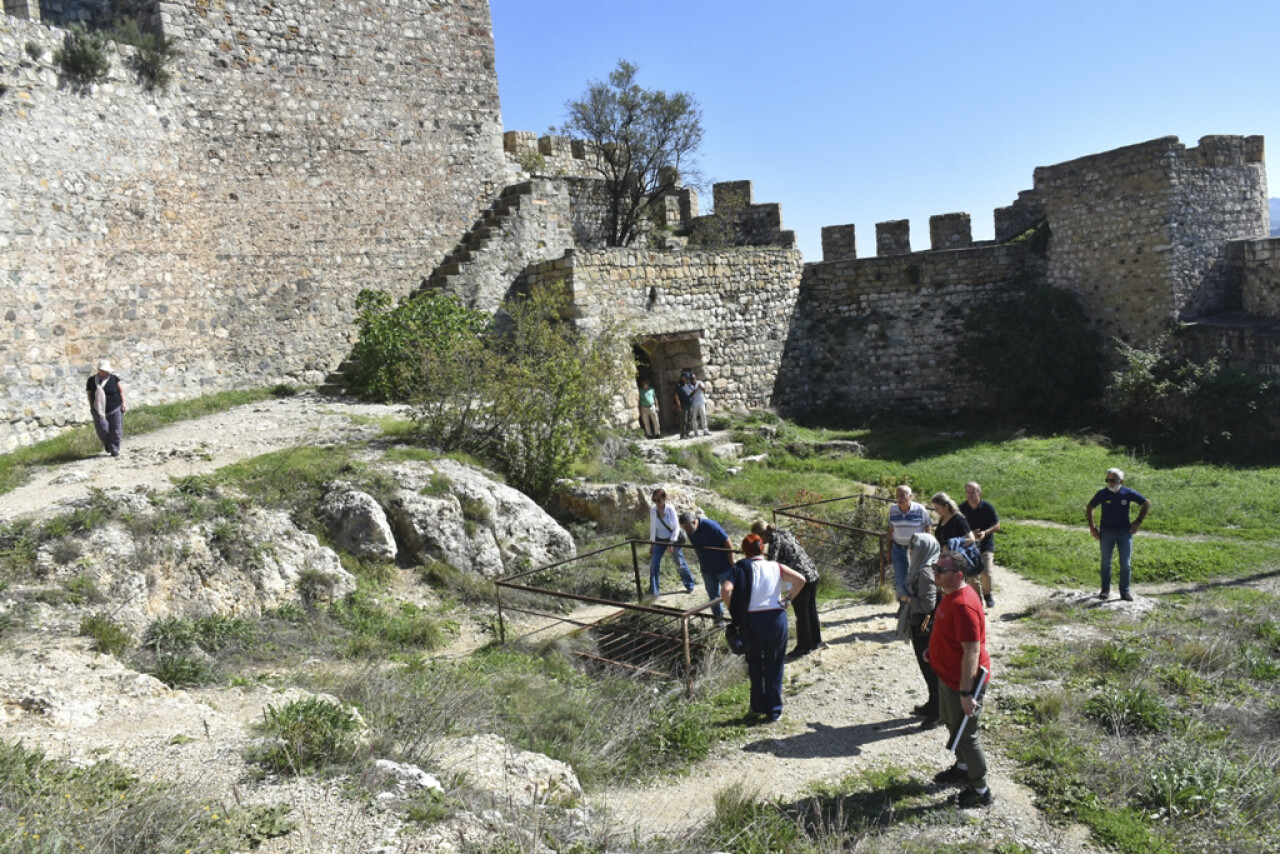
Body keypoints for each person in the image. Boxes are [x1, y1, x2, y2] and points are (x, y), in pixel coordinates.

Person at [925, 544, 994, 808]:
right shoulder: (949, 593)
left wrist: (967, 693)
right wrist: (933, 650)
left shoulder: (964, 604)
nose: (936, 573)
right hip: (948, 677)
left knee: (967, 735)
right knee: (951, 723)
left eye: (941, 570)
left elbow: (971, 652)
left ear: (959, 574)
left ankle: (980, 791)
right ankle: (963, 767)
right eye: (935, 568)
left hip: (963, 683)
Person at [721, 533, 807, 722]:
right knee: (774, 664)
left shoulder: (740, 568)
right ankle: (774, 710)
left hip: (752, 621)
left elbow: (726, 590)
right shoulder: (776, 566)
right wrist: (787, 600)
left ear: (745, 551)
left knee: (754, 663)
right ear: (762, 549)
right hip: (776, 618)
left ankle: (757, 706)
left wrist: (733, 609)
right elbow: (800, 579)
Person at [752, 520, 825, 658]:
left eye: (757, 538)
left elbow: (772, 564)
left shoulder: (774, 540)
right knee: (810, 609)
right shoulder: (784, 532)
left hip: (800, 578)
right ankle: (815, 641)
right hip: (812, 572)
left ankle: (803, 647)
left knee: (801, 613)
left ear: (762, 534)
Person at [896, 532, 941, 729]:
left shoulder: (925, 572)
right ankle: (933, 704)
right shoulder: (926, 566)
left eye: (915, 546)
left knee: (931, 669)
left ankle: (939, 711)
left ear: (925, 548)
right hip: (923, 625)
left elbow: (927, 605)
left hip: (925, 627)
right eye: (911, 546)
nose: (911, 550)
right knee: (927, 669)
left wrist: (906, 599)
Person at [1086, 468, 1151, 602]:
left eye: (1113, 480)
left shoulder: (1128, 493)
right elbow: (1090, 507)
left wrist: (1138, 522)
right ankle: (1105, 590)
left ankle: (1125, 592)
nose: (1110, 483)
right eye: (1107, 480)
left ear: (1121, 481)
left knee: (1125, 564)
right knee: (1105, 563)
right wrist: (1093, 527)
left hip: (1124, 533)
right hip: (1106, 533)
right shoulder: (1102, 494)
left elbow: (1146, 503)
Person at [679, 511, 734, 620]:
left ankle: (737, 620)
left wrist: (732, 562)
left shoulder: (710, 526)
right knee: (713, 596)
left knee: (729, 595)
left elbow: (727, 542)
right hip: (707, 569)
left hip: (723, 567)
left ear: (694, 522)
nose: (686, 531)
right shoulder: (690, 531)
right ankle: (719, 621)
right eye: (684, 528)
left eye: (687, 528)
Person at [959, 482, 1001, 608]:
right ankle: (977, 602)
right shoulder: (962, 508)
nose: (970, 495)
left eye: (973, 492)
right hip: (969, 547)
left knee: (986, 573)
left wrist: (985, 532)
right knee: (972, 577)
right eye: (968, 492)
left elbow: (997, 526)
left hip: (986, 544)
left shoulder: (987, 507)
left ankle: (988, 595)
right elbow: (957, 526)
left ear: (979, 493)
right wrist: (970, 534)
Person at [648, 488, 696, 596]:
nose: (657, 503)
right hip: (659, 539)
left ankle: (690, 585)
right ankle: (654, 592)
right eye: (654, 500)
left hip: (672, 539)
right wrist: (652, 544)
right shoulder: (653, 511)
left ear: (664, 499)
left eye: (658, 500)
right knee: (654, 565)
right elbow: (653, 528)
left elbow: (676, 528)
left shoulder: (670, 509)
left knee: (680, 563)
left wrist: (671, 543)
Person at [887, 486, 931, 600]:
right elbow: (890, 531)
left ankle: (915, 605)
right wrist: (889, 550)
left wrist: (927, 548)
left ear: (910, 496)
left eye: (903, 495)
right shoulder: (892, 510)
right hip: (898, 549)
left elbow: (928, 528)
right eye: (897, 495)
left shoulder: (920, 509)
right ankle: (904, 606)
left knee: (915, 578)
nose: (900, 498)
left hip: (915, 550)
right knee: (900, 579)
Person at [86, 359, 127, 457]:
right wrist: (91, 406)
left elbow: (121, 391)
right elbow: (89, 394)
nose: (105, 372)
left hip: (115, 406)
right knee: (102, 429)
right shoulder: (92, 381)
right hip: (98, 409)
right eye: (103, 370)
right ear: (99, 370)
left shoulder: (114, 378)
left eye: (107, 371)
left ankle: (114, 449)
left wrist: (124, 403)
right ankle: (108, 444)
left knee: (116, 429)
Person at [685, 371, 710, 437]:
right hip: (694, 403)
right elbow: (690, 394)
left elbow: (704, 390)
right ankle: (696, 432)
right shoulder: (688, 386)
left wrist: (701, 387)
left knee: (703, 415)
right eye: (692, 378)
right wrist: (696, 389)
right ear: (690, 379)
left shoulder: (700, 382)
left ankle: (705, 430)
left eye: (694, 378)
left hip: (701, 402)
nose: (693, 379)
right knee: (694, 418)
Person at [673, 372, 694, 439]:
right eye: (686, 377)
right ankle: (683, 435)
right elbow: (676, 396)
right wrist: (679, 406)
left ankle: (687, 433)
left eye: (687, 378)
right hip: (683, 405)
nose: (687, 379)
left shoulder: (687, 385)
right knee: (684, 420)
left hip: (689, 405)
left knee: (689, 419)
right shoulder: (679, 385)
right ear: (682, 377)